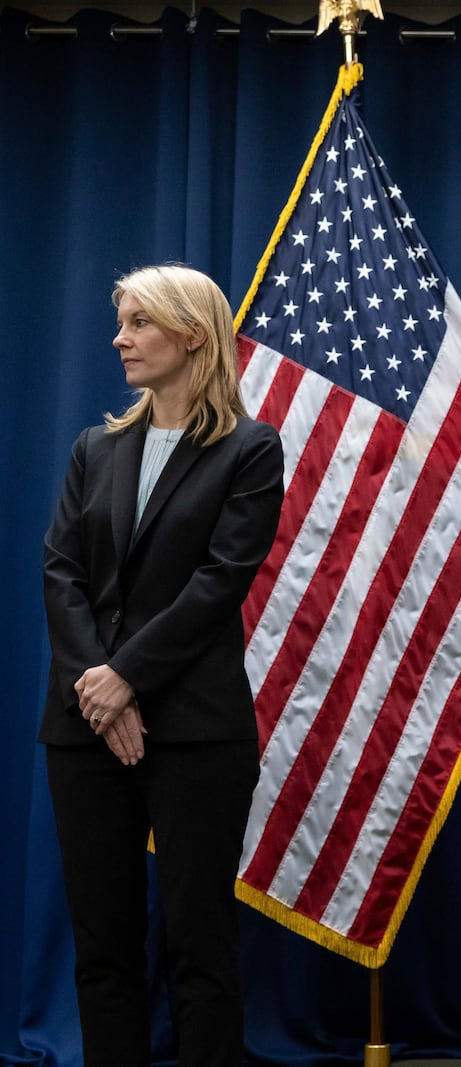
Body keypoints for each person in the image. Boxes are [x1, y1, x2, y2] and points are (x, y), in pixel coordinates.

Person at [41, 264, 285, 1066]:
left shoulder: (251, 450)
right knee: (103, 948)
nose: (120, 338)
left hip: (196, 730)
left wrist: (128, 678)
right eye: (123, 322)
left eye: (139, 322)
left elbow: (220, 582)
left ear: (192, 335)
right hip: (85, 726)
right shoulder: (95, 448)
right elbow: (61, 572)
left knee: (200, 947)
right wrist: (98, 688)